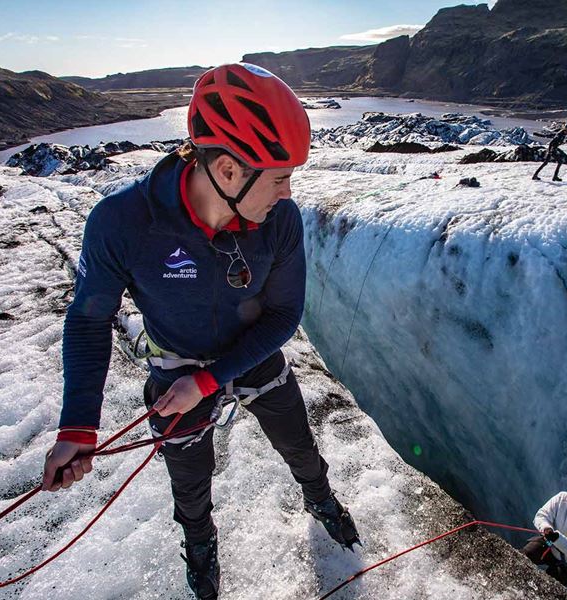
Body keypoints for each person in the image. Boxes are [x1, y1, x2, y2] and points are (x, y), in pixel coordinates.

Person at [42, 63, 359, 599]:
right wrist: (77, 427)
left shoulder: (278, 220)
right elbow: (90, 318)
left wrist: (209, 382)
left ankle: (319, 495)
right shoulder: (125, 222)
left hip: (249, 356)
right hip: (178, 367)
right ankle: (200, 541)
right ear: (231, 171)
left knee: (300, 447)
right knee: (190, 487)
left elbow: (284, 315)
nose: (287, 192)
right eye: (280, 176)